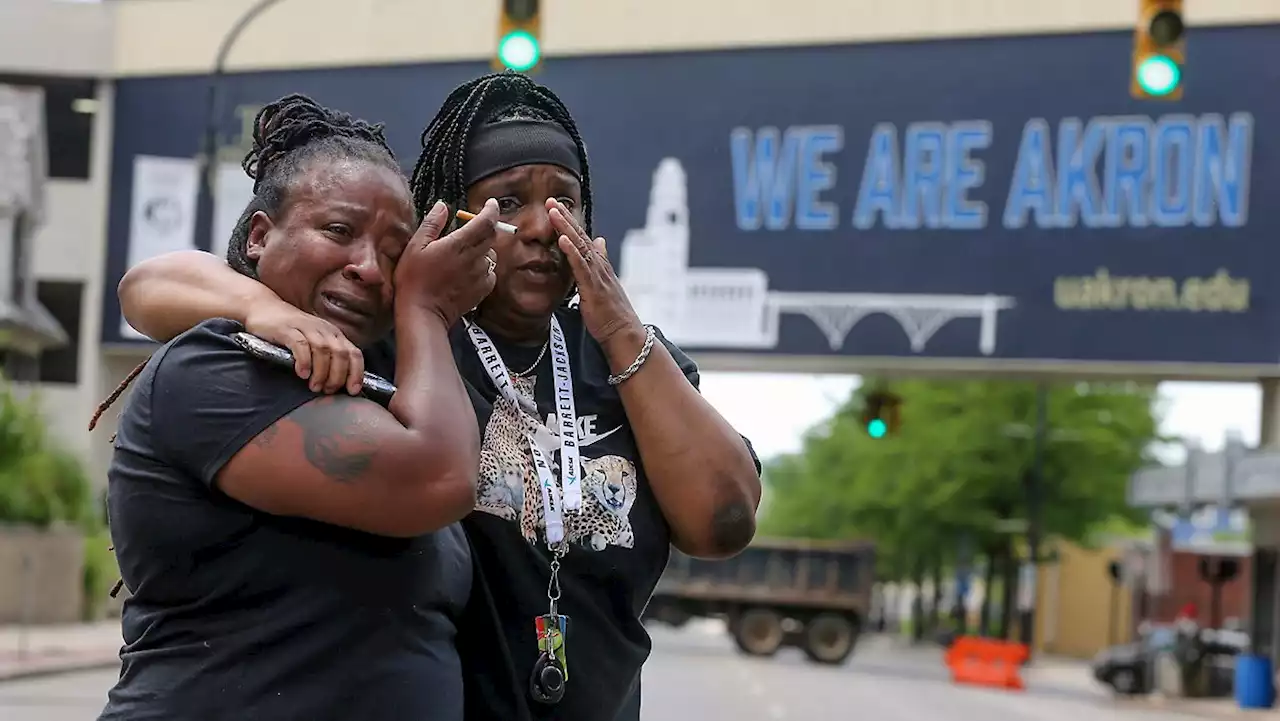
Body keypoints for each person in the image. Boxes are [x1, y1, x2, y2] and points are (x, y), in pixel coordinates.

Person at [115, 71, 764, 721]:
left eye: (565, 200)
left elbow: (723, 520)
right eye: (507, 204)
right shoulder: (401, 332)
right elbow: (150, 285)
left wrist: (623, 332)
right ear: (449, 223)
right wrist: (261, 305)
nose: (541, 226)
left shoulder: (633, 360)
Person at [95, 94, 502, 721]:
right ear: (260, 236)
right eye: (338, 231)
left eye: (396, 253)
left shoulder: (385, 381)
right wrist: (273, 310)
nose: (369, 268)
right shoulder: (217, 366)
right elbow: (146, 282)